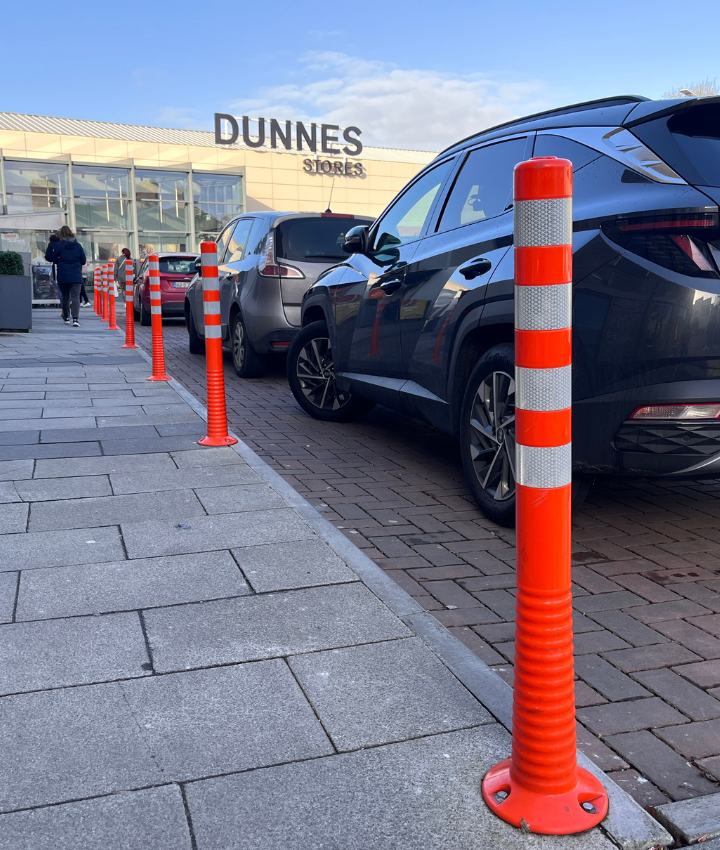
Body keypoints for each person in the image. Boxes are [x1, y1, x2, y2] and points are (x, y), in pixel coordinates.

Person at [45, 226, 86, 328]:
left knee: (65, 296)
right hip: (76, 274)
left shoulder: (59, 245)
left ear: (61, 235)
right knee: (76, 297)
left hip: (63, 273)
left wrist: (59, 258)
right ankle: (75, 319)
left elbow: (52, 258)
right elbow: (83, 260)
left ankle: (66, 317)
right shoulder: (78, 246)